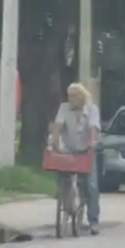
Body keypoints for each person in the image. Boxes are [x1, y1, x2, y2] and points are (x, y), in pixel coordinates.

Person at [50, 83, 102, 235]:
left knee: (91, 186)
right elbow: (57, 127)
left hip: (87, 150)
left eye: (74, 96)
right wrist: (54, 142)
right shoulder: (64, 108)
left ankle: (93, 222)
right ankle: (66, 207)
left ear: (82, 97)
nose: (70, 99)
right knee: (64, 179)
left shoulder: (92, 109)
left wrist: (92, 142)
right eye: (69, 96)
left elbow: (93, 128)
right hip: (69, 149)